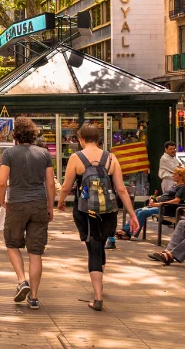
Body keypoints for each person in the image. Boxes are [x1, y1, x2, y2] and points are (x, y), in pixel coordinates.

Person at [57, 123, 139, 311]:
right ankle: (99, 285)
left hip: (85, 211)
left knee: (93, 248)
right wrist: (132, 215)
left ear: (81, 139)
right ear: (99, 139)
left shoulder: (76, 158)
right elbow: (121, 189)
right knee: (100, 245)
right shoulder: (111, 158)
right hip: (108, 211)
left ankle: (98, 297)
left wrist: (60, 202)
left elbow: (67, 186)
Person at [0, 119, 54, 310]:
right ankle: (35, 297)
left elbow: (3, 181)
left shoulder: (9, 153)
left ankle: (22, 280)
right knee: (36, 252)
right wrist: (50, 206)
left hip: (17, 204)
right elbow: (51, 183)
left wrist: (2, 200)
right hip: (38, 204)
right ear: (33, 134)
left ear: (15, 135)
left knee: (12, 243)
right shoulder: (44, 153)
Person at [112, 167, 185, 244]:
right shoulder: (175, 186)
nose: (173, 175)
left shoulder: (183, 187)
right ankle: (125, 231)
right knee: (138, 210)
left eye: (175, 174)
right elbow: (166, 196)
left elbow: (176, 201)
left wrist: (158, 204)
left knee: (142, 212)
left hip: (167, 209)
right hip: (161, 206)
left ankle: (128, 233)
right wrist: (156, 197)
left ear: (181, 176)